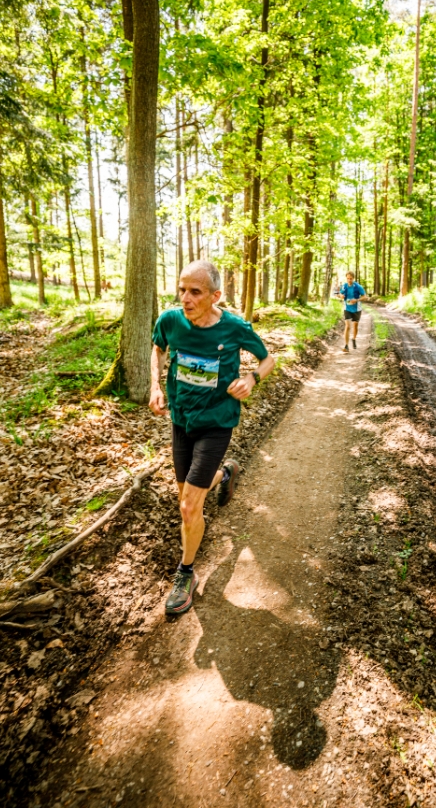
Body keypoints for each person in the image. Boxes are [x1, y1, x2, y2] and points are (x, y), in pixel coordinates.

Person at [149, 261, 275, 615]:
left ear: (215, 295)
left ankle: (186, 573)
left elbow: (268, 359)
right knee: (187, 497)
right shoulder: (170, 320)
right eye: (182, 290)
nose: (185, 298)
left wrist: (251, 379)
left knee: (189, 506)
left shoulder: (234, 328)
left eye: (195, 292)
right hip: (181, 417)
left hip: (218, 420)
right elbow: (158, 348)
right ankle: (226, 474)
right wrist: (155, 386)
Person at [336, 271, 366, 352]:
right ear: (346, 278)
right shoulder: (344, 286)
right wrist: (340, 295)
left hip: (357, 309)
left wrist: (357, 300)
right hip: (347, 308)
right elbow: (339, 294)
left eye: (351, 279)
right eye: (348, 278)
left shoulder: (358, 287)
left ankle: (354, 338)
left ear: (353, 278)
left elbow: (364, 297)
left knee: (355, 326)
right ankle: (346, 346)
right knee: (348, 326)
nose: (349, 280)